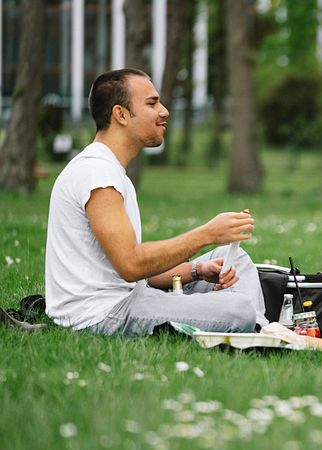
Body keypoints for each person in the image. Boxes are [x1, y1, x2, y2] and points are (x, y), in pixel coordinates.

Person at [45, 68, 267, 337]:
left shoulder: (112, 171)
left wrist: (197, 270)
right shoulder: (98, 174)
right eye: (152, 103)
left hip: (129, 296)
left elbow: (137, 273)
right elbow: (131, 265)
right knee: (238, 309)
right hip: (103, 314)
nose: (164, 111)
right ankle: (256, 329)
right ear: (121, 115)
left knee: (235, 260)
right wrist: (207, 234)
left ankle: (255, 328)